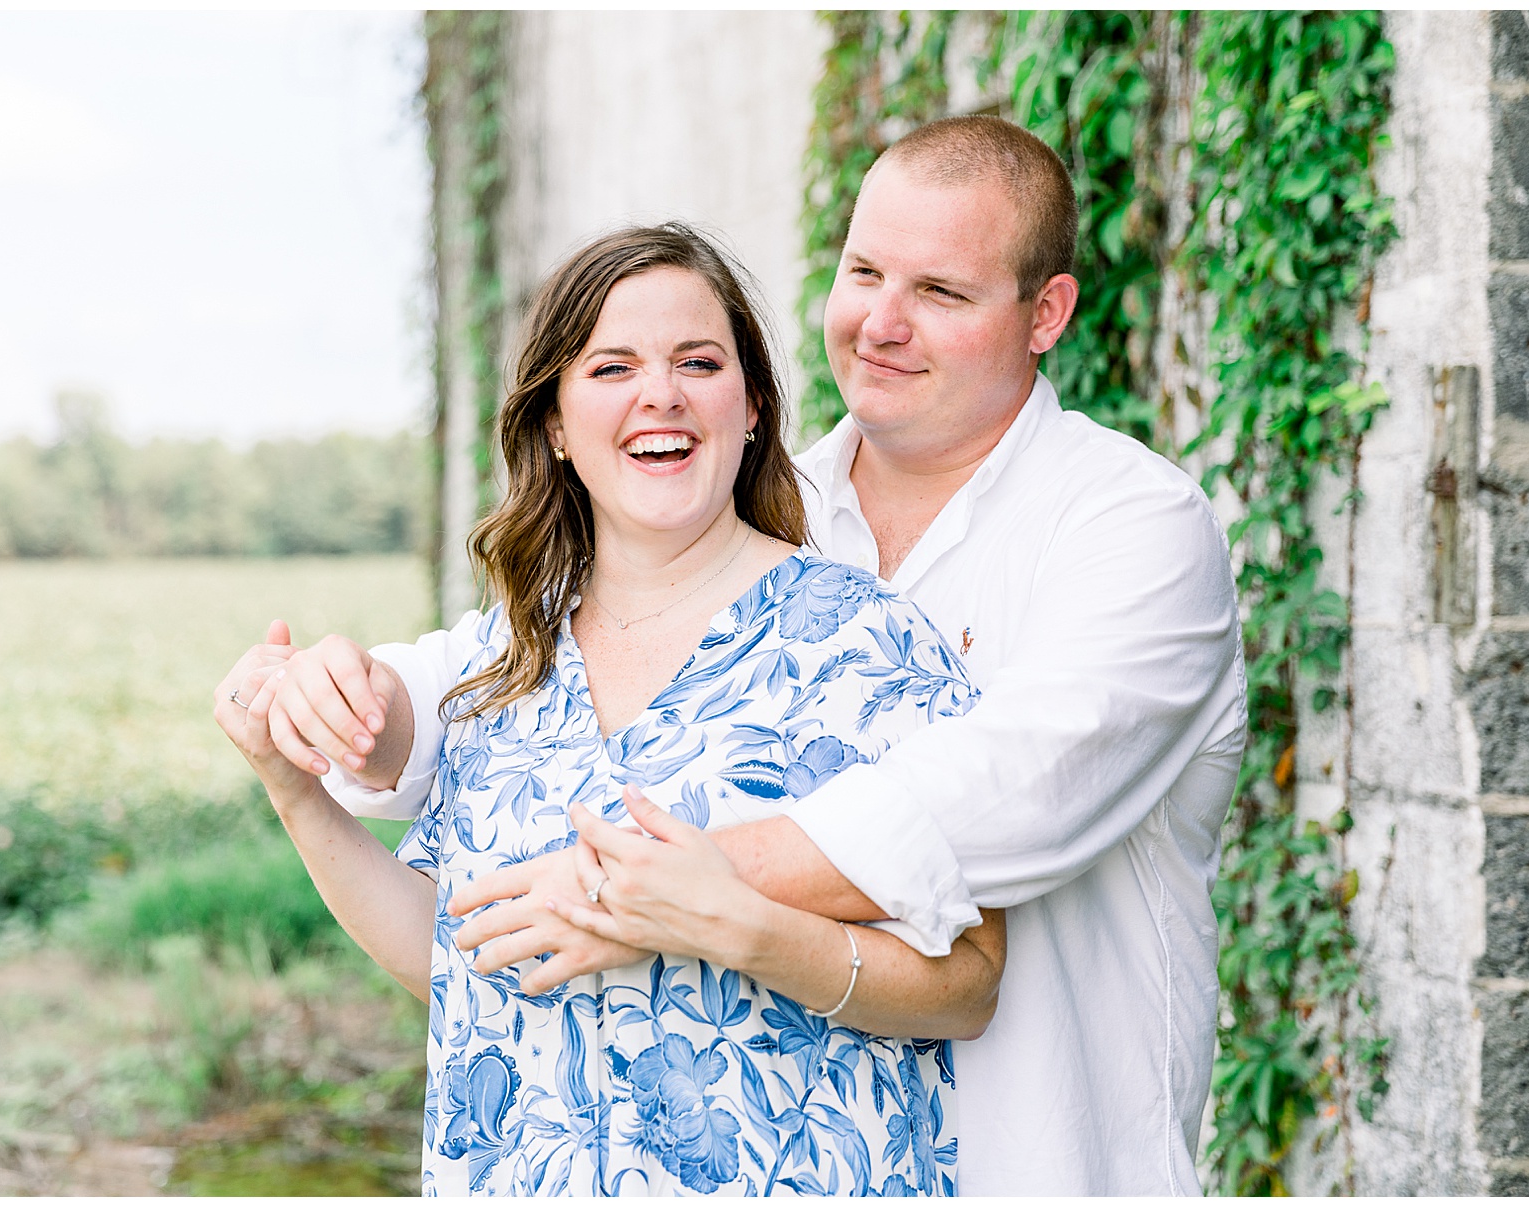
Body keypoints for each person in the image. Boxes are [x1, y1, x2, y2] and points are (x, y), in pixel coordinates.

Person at [284, 115, 1248, 1196]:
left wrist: (640, 884)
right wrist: (345, 699)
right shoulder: (750, 518)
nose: (882, 323)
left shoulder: (1129, 526)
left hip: (1047, 1159)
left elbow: (1008, 788)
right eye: (864, 272)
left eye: (940, 292)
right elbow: (502, 682)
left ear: (1046, 314)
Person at [215, 222, 1007, 1196]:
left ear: (752, 406)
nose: (659, 393)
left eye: (698, 362)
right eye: (612, 367)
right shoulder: (502, 661)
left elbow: (969, 983)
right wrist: (294, 790)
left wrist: (731, 924)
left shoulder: (870, 647)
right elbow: (463, 962)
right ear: (555, 421)